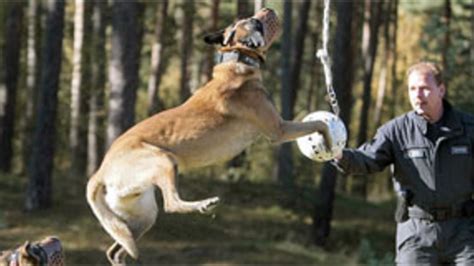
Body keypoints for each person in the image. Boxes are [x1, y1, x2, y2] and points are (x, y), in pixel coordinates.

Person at [332, 61, 474, 265]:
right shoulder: (396, 131)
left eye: (425, 88)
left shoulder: (468, 128)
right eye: (412, 89)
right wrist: (337, 153)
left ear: (441, 90)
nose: (417, 95)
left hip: (464, 232)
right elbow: (367, 159)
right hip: (416, 233)